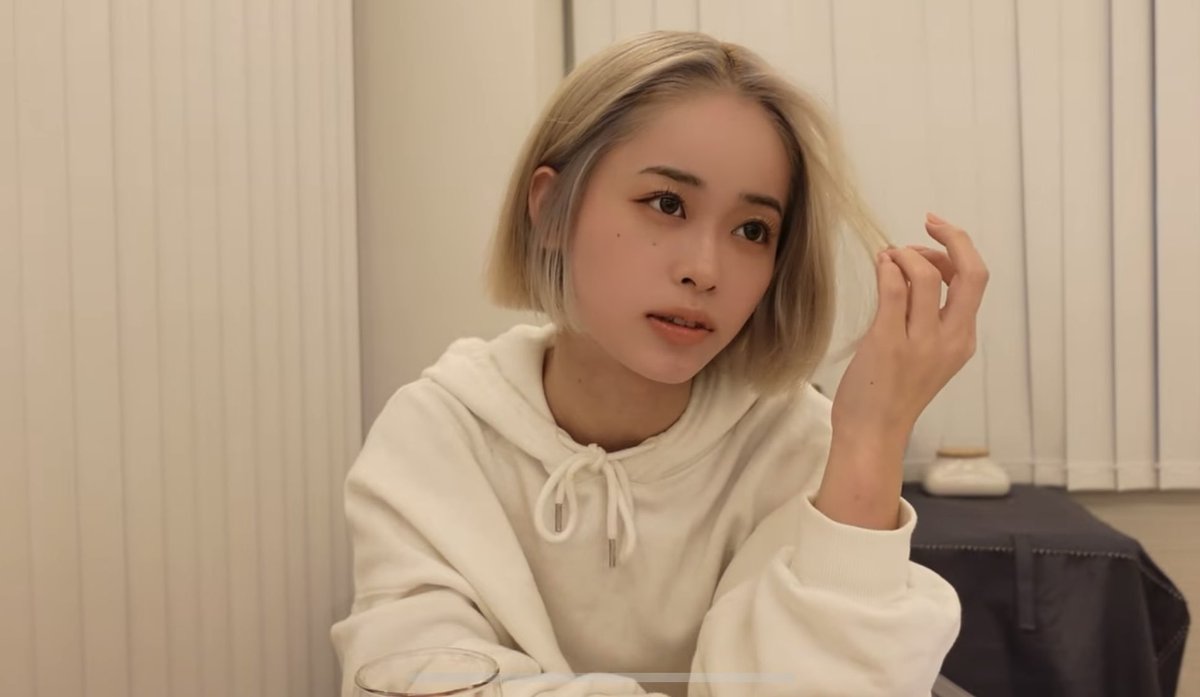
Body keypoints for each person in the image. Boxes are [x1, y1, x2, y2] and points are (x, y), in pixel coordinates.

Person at [332, 30, 988, 697]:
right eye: (667, 204)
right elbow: (406, 676)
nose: (705, 269)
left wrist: (873, 436)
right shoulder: (440, 433)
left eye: (752, 230)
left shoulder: (799, 450)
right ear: (551, 209)